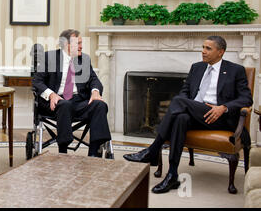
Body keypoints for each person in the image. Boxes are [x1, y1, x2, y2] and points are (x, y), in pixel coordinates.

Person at [123, 36, 253, 194]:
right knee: (180, 117)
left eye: (208, 48)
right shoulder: (197, 67)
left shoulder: (235, 70)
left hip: (218, 117)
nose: (203, 51)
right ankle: (172, 175)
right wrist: (186, 104)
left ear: (221, 52)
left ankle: (153, 150)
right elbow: (185, 92)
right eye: (203, 47)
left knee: (178, 102)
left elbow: (246, 98)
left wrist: (223, 107)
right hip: (195, 113)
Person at [32, 29, 112, 157]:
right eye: (78, 43)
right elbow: (37, 81)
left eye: (81, 43)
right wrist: (51, 94)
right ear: (66, 45)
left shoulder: (84, 60)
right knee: (65, 105)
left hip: (78, 102)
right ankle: (63, 152)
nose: (81, 46)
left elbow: (94, 80)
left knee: (100, 105)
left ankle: (94, 153)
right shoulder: (49, 58)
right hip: (56, 102)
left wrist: (95, 92)